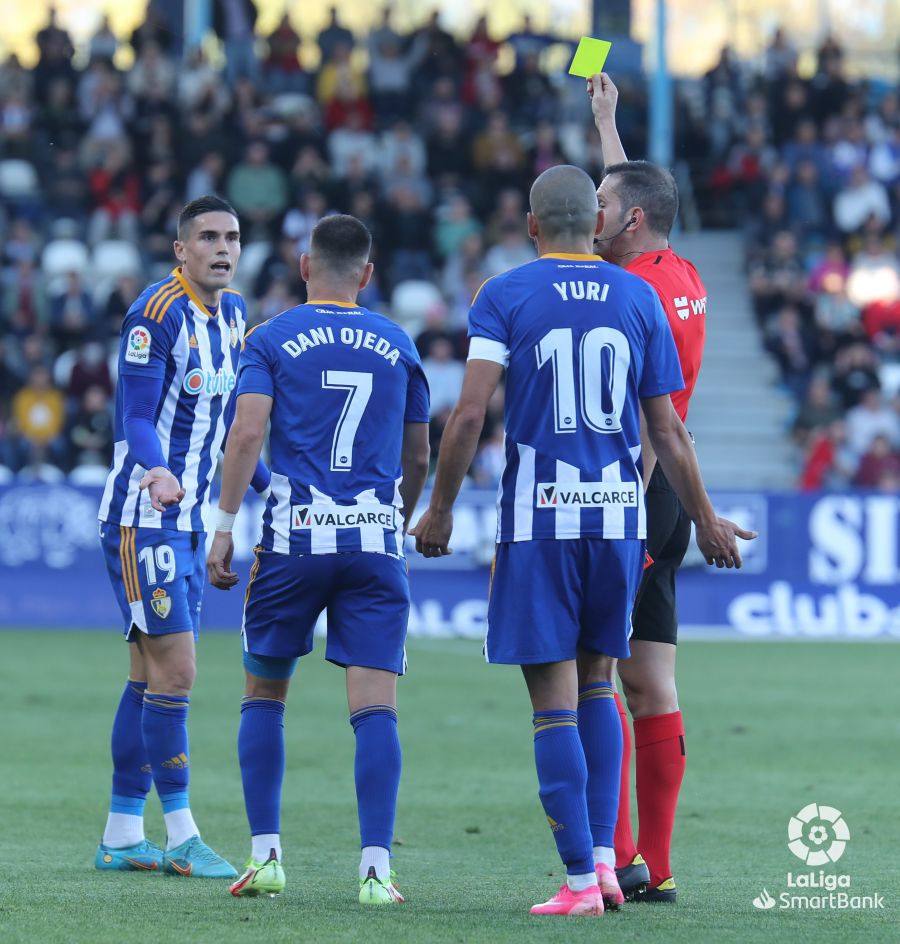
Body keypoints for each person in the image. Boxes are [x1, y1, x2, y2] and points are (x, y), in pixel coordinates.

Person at [411, 165, 752, 917]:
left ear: (532, 227)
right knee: (601, 684)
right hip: (621, 521)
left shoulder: (504, 293)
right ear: (591, 225)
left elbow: (468, 417)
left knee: (552, 706)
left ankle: (576, 882)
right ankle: (605, 863)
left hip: (543, 521)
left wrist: (438, 508)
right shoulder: (637, 294)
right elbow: (668, 428)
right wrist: (704, 518)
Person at [206, 215, 431, 902]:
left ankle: (267, 857)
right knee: (375, 710)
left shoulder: (269, 338)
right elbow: (418, 453)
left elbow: (247, 433)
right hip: (370, 541)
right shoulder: (398, 342)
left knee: (264, 695)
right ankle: (375, 871)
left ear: (305, 267)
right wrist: (399, 515)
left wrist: (224, 526)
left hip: (293, 541)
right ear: (366, 274)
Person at [95, 195, 270, 878]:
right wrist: (159, 469)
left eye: (231, 236)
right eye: (207, 237)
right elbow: (135, 414)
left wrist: (269, 485)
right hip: (145, 518)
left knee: (148, 677)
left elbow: (229, 427)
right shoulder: (156, 313)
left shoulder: (233, 316)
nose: (222, 248)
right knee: (179, 670)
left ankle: (119, 835)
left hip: (191, 520)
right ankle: (181, 835)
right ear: (180, 249)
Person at [589, 72, 710, 903]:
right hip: (666, 500)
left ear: (629, 220)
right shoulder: (679, 270)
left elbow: (647, 416)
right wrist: (608, 124)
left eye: (599, 202)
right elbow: (637, 195)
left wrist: (625, 505)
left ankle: (620, 858)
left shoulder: (632, 292)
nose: (587, 212)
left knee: (597, 677)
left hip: (635, 494)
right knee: (651, 683)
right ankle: (655, 866)